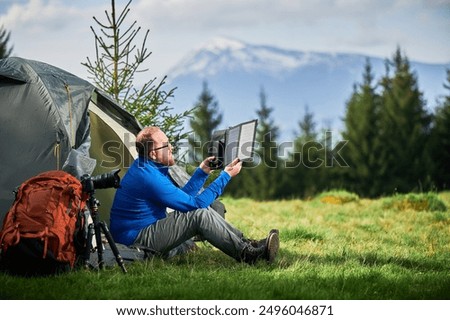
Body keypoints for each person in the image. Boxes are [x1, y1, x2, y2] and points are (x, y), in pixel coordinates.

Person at [110, 126, 279, 264]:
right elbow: (195, 206)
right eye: (166, 145)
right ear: (153, 154)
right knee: (199, 214)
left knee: (212, 206)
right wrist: (225, 176)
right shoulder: (148, 176)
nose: (171, 148)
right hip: (136, 240)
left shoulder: (149, 167)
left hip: (148, 229)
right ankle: (249, 255)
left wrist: (202, 172)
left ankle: (248, 244)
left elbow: (183, 200)